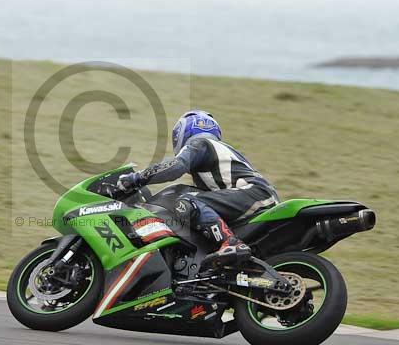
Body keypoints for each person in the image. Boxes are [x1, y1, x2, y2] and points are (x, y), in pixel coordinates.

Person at [116, 110, 279, 271]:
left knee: (187, 202)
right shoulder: (220, 151)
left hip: (253, 194)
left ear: (183, 132)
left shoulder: (199, 143)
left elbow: (175, 167)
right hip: (257, 196)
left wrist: (136, 178)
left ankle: (230, 243)